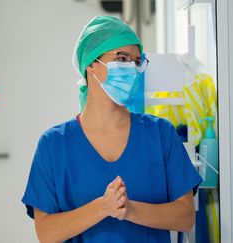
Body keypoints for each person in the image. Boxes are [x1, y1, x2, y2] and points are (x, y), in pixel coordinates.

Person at [21, 16, 202, 243]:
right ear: (92, 64)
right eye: (122, 59)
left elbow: (185, 217)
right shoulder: (54, 144)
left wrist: (130, 210)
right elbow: (46, 232)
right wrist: (103, 207)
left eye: (137, 61)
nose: (132, 69)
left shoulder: (160, 134)